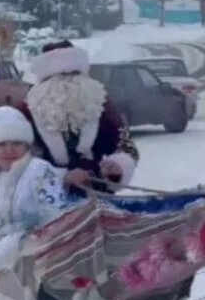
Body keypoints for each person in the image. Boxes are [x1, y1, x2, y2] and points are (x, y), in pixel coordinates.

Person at [14, 40, 140, 194]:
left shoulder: (100, 103)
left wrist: (117, 165)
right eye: (59, 75)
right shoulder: (26, 110)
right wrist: (61, 177)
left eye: (74, 74)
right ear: (44, 80)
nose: (68, 81)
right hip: (44, 198)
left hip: (96, 193)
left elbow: (125, 146)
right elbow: (15, 162)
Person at [0, 105, 70, 251]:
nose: (9, 150)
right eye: (1, 144)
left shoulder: (40, 171)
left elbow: (55, 217)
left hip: (37, 249)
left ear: (27, 146)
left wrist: (22, 240)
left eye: (16, 143)